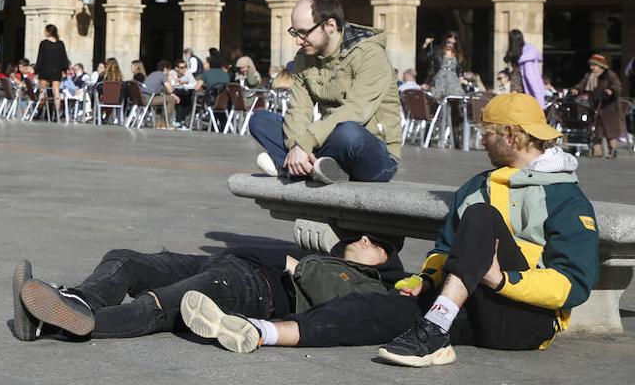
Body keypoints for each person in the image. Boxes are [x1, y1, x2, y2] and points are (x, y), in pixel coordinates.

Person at [184, 92, 600, 368]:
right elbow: (445, 249)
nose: (482, 141)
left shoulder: (566, 198)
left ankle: (436, 326)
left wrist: (500, 277)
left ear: (510, 135)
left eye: (488, 133)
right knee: (379, 304)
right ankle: (261, 332)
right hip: (467, 306)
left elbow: (574, 284)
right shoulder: (477, 185)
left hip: (525, 322)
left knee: (482, 217)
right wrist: (425, 279)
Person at [11, 232, 402, 342]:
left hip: (253, 287)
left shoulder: (369, 287)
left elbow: (325, 295)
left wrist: (298, 264)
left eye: (376, 245)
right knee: (126, 258)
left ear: (385, 261)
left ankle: (52, 323)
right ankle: (78, 300)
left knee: (159, 304)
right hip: (222, 264)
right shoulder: (341, 262)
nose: (365, 241)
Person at [248, 0, 401, 184]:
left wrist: (305, 143)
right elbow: (298, 110)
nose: (298, 40)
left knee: (348, 133)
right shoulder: (304, 58)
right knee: (260, 121)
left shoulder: (370, 54)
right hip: (327, 141)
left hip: (375, 152)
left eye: (304, 32)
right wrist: (298, 145)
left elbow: (356, 110)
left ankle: (292, 166)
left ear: (330, 25)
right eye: (295, 32)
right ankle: (315, 167)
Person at [570, 54, 624, 159]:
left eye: (594, 65)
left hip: (609, 107)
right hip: (595, 106)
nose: (592, 67)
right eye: (591, 65)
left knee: (610, 131)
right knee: (595, 130)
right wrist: (576, 89)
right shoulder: (589, 76)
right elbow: (582, 85)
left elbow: (617, 86)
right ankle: (597, 151)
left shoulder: (609, 75)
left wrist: (611, 90)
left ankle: (612, 151)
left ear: (601, 66)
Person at [34, 24, 71, 117]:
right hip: (56, 71)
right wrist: (64, 69)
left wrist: (37, 70)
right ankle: (57, 113)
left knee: (42, 91)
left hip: (45, 70)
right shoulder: (60, 44)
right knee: (56, 91)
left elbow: (40, 58)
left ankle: (39, 110)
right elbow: (64, 58)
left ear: (48, 32)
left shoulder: (44, 43)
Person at [504, 29, 545, 110]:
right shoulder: (523, 53)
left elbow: (530, 77)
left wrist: (540, 101)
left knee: (518, 109)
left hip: (520, 85)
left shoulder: (526, 55)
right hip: (518, 85)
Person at [423, 32, 464, 103]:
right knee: (439, 101)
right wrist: (425, 44)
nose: (450, 45)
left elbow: (459, 69)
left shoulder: (457, 55)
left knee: (454, 100)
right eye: (449, 42)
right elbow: (424, 58)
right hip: (440, 80)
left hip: (453, 82)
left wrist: (461, 77)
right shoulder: (438, 51)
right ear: (445, 41)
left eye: (453, 43)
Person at [141, 60, 181, 129]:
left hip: (142, 97)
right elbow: (170, 90)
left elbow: (164, 91)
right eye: (168, 70)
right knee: (172, 100)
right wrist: (169, 79)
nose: (169, 72)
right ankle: (165, 122)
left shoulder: (153, 74)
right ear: (165, 69)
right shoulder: (163, 75)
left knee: (164, 99)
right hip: (149, 99)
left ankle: (159, 123)